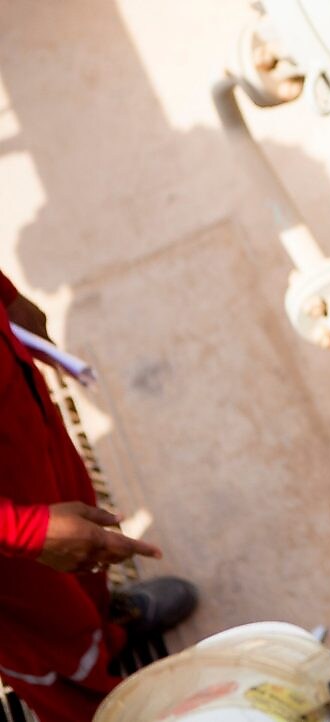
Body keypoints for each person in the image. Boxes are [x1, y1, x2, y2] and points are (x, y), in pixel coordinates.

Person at [0, 270, 198, 721]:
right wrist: (25, 532)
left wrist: (6, 296)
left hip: (22, 427)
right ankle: (89, 700)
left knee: (83, 558)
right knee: (43, 635)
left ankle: (104, 634)